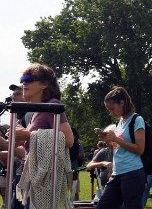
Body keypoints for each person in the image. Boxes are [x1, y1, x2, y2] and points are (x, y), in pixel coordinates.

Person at [14, 63, 74, 208]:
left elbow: (68, 140)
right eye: (22, 80)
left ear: (44, 84)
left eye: (29, 79)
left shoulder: (53, 105)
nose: (23, 83)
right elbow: (31, 151)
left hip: (44, 180)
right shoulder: (35, 111)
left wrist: (28, 135)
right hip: (29, 175)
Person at [95, 86, 146, 209]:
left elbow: (140, 149)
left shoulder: (137, 119)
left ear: (122, 103)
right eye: (108, 110)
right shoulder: (120, 122)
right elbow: (117, 149)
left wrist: (116, 139)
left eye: (112, 108)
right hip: (118, 173)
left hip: (132, 172)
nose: (111, 113)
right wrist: (108, 140)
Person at [86, 137, 114, 202]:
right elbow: (89, 165)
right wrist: (103, 163)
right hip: (106, 185)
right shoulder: (104, 151)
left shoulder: (123, 151)